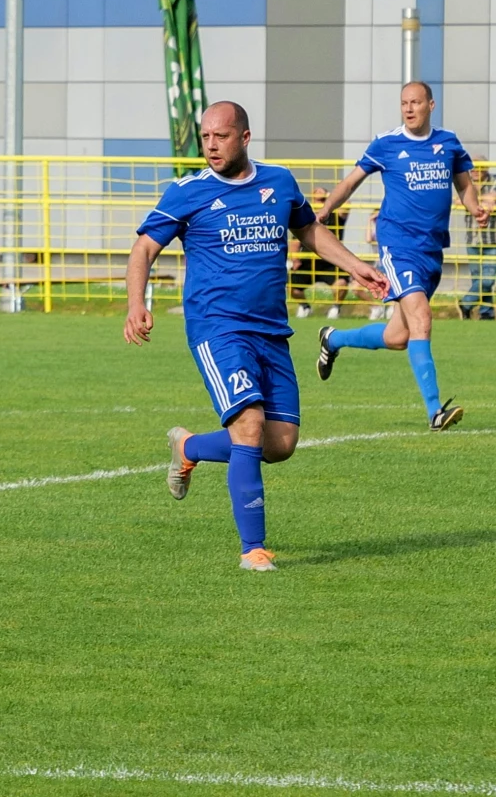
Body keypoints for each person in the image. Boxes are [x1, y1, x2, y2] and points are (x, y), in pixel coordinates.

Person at [125, 101, 386, 572]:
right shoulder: (188, 192)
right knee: (248, 425)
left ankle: (190, 447)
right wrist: (135, 304)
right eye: (205, 137)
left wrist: (356, 266)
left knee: (280, 443)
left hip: (271, 332)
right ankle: (254, 550)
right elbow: (144, 246)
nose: (210, 146)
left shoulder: (279, 182)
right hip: (217, 328)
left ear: (244, 138)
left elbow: (309, 231)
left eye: (220, 137)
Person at [312, 81, 486, 430]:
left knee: (399, 337)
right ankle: (436, 411)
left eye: (415, 102)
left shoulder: (448, 142)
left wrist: (475, 207)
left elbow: (464, 183)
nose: (408, 109)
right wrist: (327, 207)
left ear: (430, 105)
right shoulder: (387, 144)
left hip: (432, 250)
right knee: (421, 318)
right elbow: (350, 182)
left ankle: (333, 338)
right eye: (404, 103)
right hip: (398, 247)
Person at [289, 184, 359, 319]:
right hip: (308, 260)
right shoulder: (304, 216)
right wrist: (295, 259)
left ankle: (336, 308)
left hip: (330, 260)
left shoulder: (335, 215)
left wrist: (328, 199)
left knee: (341, 284)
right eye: (317, 199)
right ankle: (305, 306)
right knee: (292, 286)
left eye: (322, 199)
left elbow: (347, 205)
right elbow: (295, 242)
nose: (319, 201)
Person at [457, 165, 496, 320]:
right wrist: (481, 200)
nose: (473, 172)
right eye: (472, 169)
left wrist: (471, 198)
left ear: (485, 169)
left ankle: (466, 304)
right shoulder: (464, 180)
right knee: (478, 279)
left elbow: (492, 198)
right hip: (472, 239)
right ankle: (486, 313)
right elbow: (459, 200)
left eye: (477, 169)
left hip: (492, 239)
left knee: (487, 279)